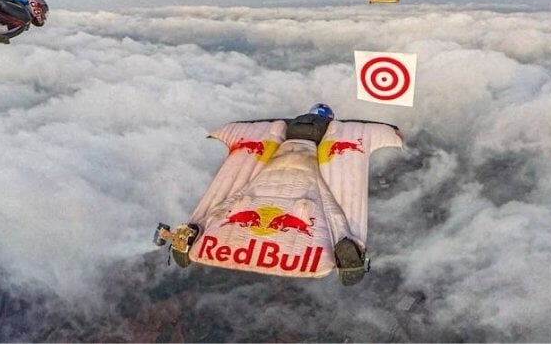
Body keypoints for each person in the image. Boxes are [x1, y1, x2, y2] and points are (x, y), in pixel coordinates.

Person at [155, 103, 402, 286]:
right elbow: (384, 133)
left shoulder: (278, 128)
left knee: (233, 198)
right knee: (332, 207)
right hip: (310, 167)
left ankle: (193, 233)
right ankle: (348, 249)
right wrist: (394, 133)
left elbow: (233, 131)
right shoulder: (335, 130)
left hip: (274, 164)